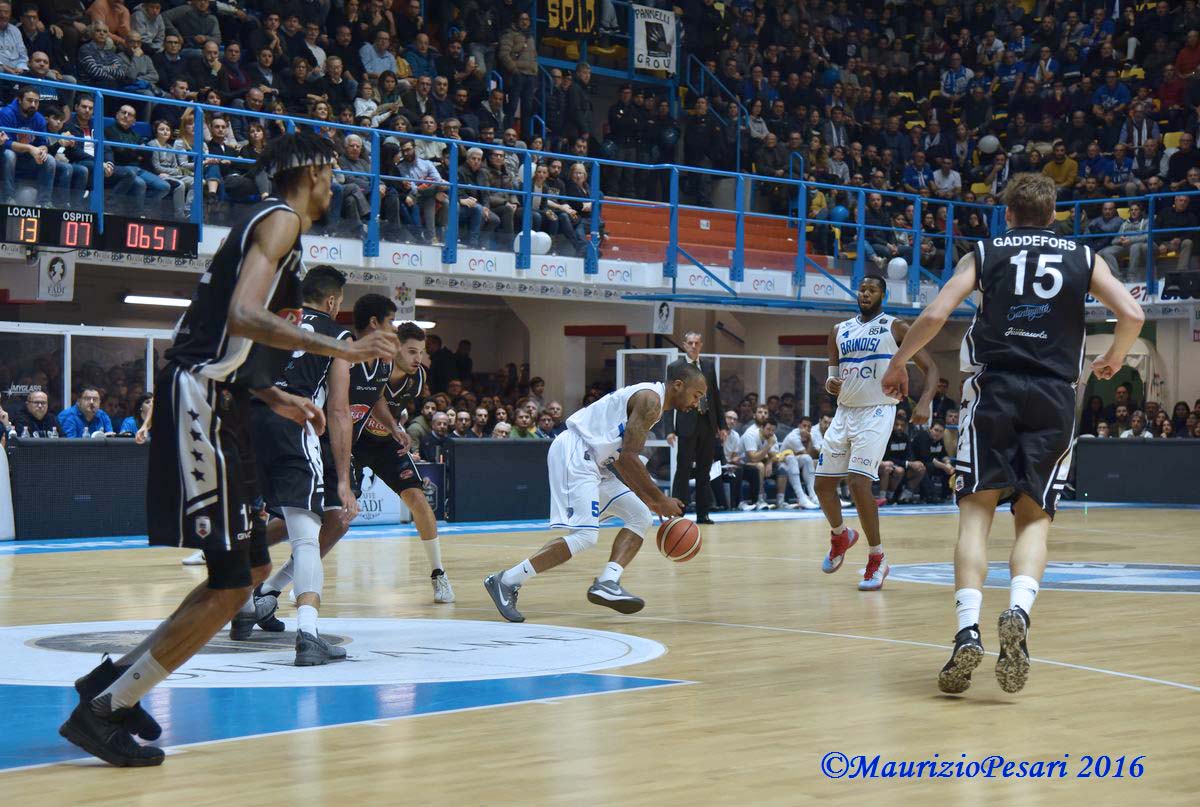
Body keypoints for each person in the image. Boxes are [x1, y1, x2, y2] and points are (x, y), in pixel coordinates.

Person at [58, 132, 398, 767]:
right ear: (312, 173)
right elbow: (242, 314)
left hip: (228, 399)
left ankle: (113, 682)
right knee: (230, 583)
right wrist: (342, 347)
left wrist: (272, 394)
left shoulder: (271, 227)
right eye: (331, 174)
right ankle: (104, 710)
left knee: (250, 572)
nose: (335, 187)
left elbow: (232, 331)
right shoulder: (281, 221)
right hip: (201, 397)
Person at [880, 172, 1143, 696]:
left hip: (995, 389)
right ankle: (1019, 611)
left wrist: (899, 362)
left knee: (976, 512)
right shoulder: (1085, 257)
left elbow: (935, 314)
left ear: (1009, 213)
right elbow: (1132, 312)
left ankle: (967, 632)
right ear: (1053, 214)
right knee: (1034, 516)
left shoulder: (985, 252)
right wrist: (1113, 357)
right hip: (1054, 394)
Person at [484, 363, 707, 622]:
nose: (696, 403)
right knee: (585, 536)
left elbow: (622, 460)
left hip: (597, 462)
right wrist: (659, 499)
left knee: (640, 516)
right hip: (577, 453)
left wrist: (650, 501)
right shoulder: (650, 401)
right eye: (696, 395)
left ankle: (607, 582)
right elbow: (628, 458)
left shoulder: (652, 402)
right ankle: (506, 580)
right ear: (678, 385)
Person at [231, 266, 358, 664]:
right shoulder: (337, 336)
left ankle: (244, 609)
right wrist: (343, 481)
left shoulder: (273, 321)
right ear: (332, 301)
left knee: (249, 527)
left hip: (246, 424)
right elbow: (339, 411)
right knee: (305, 537)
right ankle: (308, 633)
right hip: (292, 425)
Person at [816, 276, 938, 591]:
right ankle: (841, 535)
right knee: (822, 487)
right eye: (862, 289)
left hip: (878, 411)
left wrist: (925, 401)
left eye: (872, 290)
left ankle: (877, 557)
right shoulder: (838, 331)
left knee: (858, 484)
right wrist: (831, 384)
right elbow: (832, 379)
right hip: (844, 412)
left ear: (883, 294)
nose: (865, 294)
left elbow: (931, 368)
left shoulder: (896, 327)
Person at [666, 331, 723, 524]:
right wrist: (669, 429)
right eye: (690, 343)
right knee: (683, 469)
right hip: (686, 422)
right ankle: (678, 512)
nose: (693, 346)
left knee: (704, 470)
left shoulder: (708, 365)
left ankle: (703, 513)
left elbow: (715, 395)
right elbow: (669, 397)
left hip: (707, 422)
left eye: (696, 343)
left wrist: (721, 425)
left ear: (701, 345)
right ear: (684, 345)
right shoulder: (675, 367)